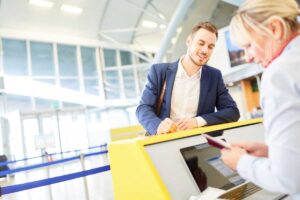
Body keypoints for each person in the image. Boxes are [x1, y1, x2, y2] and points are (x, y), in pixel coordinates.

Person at [220, 0, 300, 199]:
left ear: (275, 28)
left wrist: (241, 163)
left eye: (248, 45)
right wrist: (273, 152)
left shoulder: (280, 73)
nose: (248, 57)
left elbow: (288, 179)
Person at [136, 21, 240, 135]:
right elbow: (143, 108)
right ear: (189, 41)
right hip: (164, 141)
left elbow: (232, 111)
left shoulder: (214, 77)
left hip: (199, 143)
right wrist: (158, 125)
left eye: (210, 47)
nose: (205, 50)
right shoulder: (160, 72)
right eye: (201, 43)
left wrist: (197, 121)